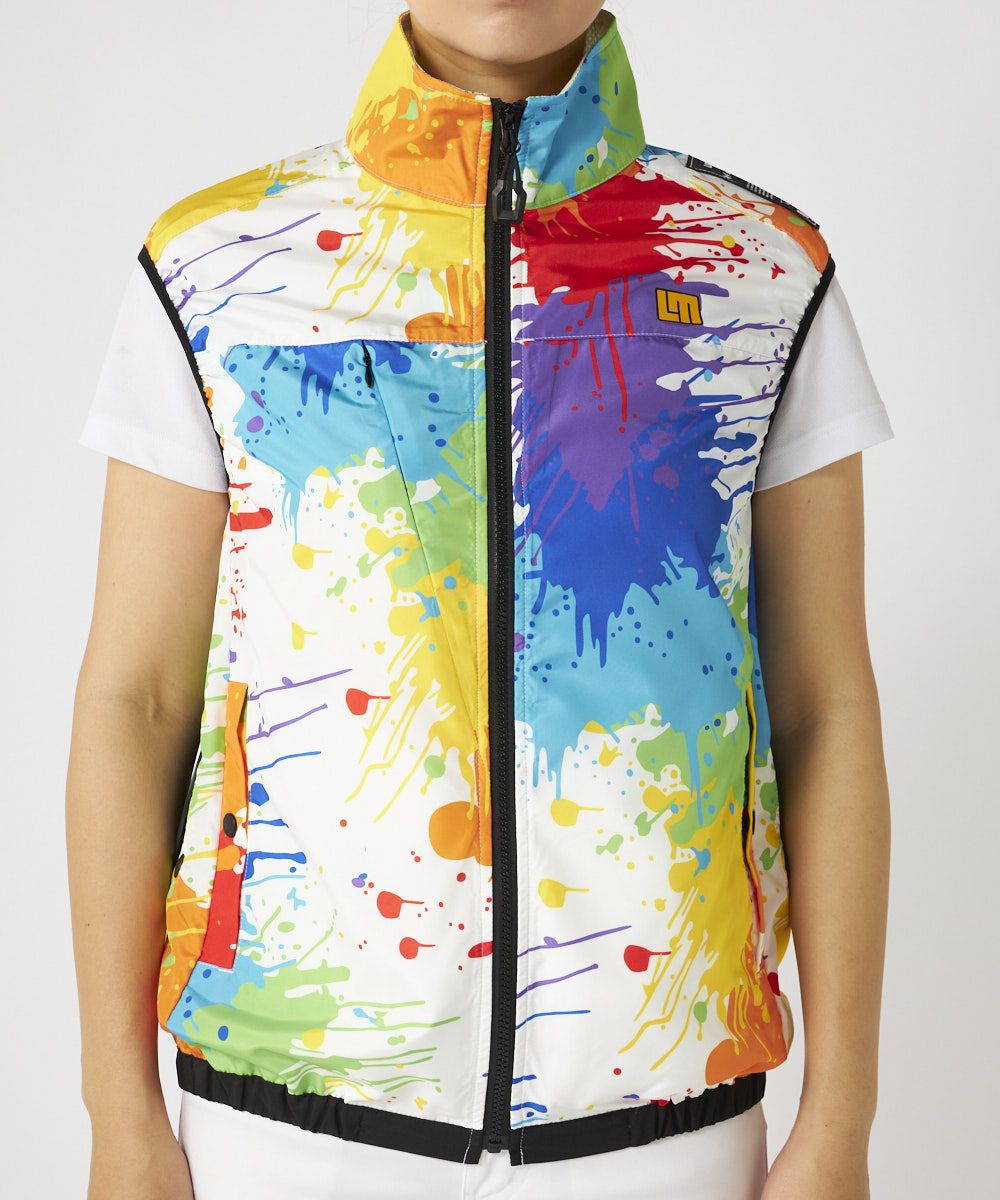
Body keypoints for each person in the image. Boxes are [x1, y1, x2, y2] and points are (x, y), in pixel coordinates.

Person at [67, 3, 893, 1198]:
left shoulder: (757, 270)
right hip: (285, 1128)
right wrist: (118, 1114)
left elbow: (826, 709)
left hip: (660, 1134)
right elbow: (135, 701)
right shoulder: (219, 266)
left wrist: (841, 1120)